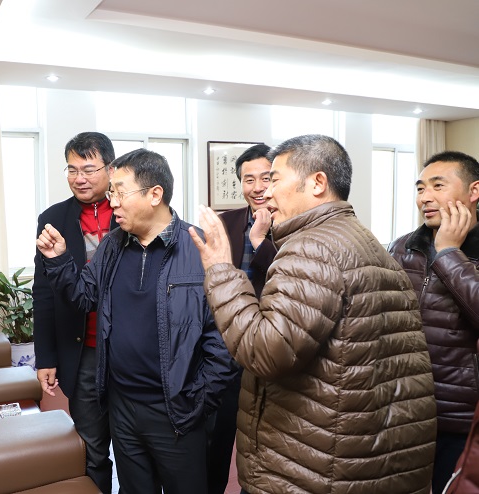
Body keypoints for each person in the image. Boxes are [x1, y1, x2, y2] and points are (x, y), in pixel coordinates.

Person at [190, 134, 437, 494]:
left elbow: (265, 351)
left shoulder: (312, 248)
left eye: (275, 180)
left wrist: (221, 272)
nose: (266, 193)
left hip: (314, 460)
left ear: (317, 182)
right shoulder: (362, 239)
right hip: (361, 448)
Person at [37, 148, 234, 494]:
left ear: (154, 194)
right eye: (111, 191)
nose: (111, 201)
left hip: (176, 410)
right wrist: (59, 261)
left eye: (120, 191)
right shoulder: (113, 245)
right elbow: (84, 297)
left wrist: (198, 401)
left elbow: (224, 335)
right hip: (122, 406)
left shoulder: (198, 248)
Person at [388, 150, 479, 494]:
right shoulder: (403, 247)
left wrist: (449, 253)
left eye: (438, 186)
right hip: (404, 408)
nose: (425, 197)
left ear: (474, 191)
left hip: (461, 418)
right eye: (420, 188)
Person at [33, 132, 116, 493]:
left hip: (127, 352)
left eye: (88, 169)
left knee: (135, 448)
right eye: (71, 169)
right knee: (92, 449)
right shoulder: (53, 218)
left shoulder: (131, 212)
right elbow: (43, 293)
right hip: (82, 351)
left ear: (110, 169)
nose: (79, 178)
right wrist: (46, 357)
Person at [208, 144, 275, 494]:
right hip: (226, 345)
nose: (258, 187)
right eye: (249, 180)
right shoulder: (226, 222)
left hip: (269, 345)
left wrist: (261, 241)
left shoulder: (292, 223)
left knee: (263, 440)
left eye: (266, 178)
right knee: (216, 439)